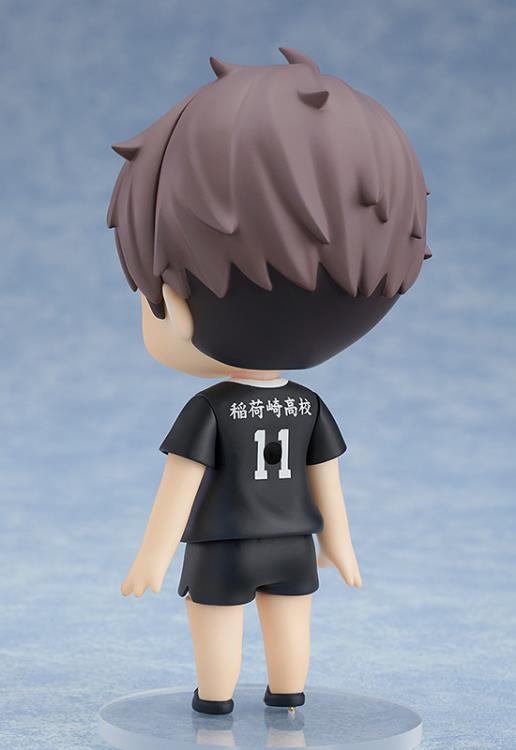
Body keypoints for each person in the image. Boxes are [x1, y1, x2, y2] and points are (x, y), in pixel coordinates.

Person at [107, 47, 430, 715]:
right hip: (293, 545)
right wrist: (338, 542)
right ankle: (287, 695)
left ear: (178, 301)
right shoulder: (308, 405)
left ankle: (216, 703)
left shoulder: (210, 409)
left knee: (215, 625)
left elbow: (179, 487)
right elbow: (326, 478)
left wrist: (153, 557)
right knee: (291, 624)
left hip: (221, 547)